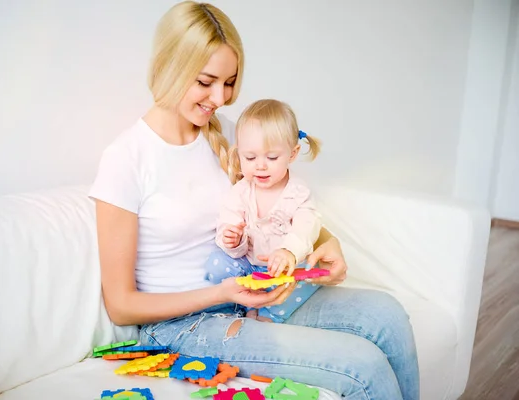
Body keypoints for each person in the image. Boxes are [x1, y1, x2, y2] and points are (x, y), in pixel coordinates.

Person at [89, 2, 419, 399]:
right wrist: (223, 293)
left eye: (229, 82)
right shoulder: (125, 159)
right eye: (206, 81)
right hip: (185, 326)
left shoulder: (228, 134)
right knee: (361, 365)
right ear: (169, 66)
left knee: (388, 316)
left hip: (253, 294)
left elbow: (280, 205)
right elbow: (122, 306)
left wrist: (326, 243)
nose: (220, 97)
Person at [205, 99, 324, 323]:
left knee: (302, 277)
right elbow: (228, 225)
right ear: (239, 153)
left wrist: (289, 252)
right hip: (250, 265)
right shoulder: (240, 192)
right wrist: (233, 239)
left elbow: (306, 228)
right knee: (216, 263)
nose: (260, 165)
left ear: (292, 153)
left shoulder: (298, 192)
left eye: (271, 158)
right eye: (250, 158)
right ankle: (238, 304)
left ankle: (269, 313)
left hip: (282, 268)